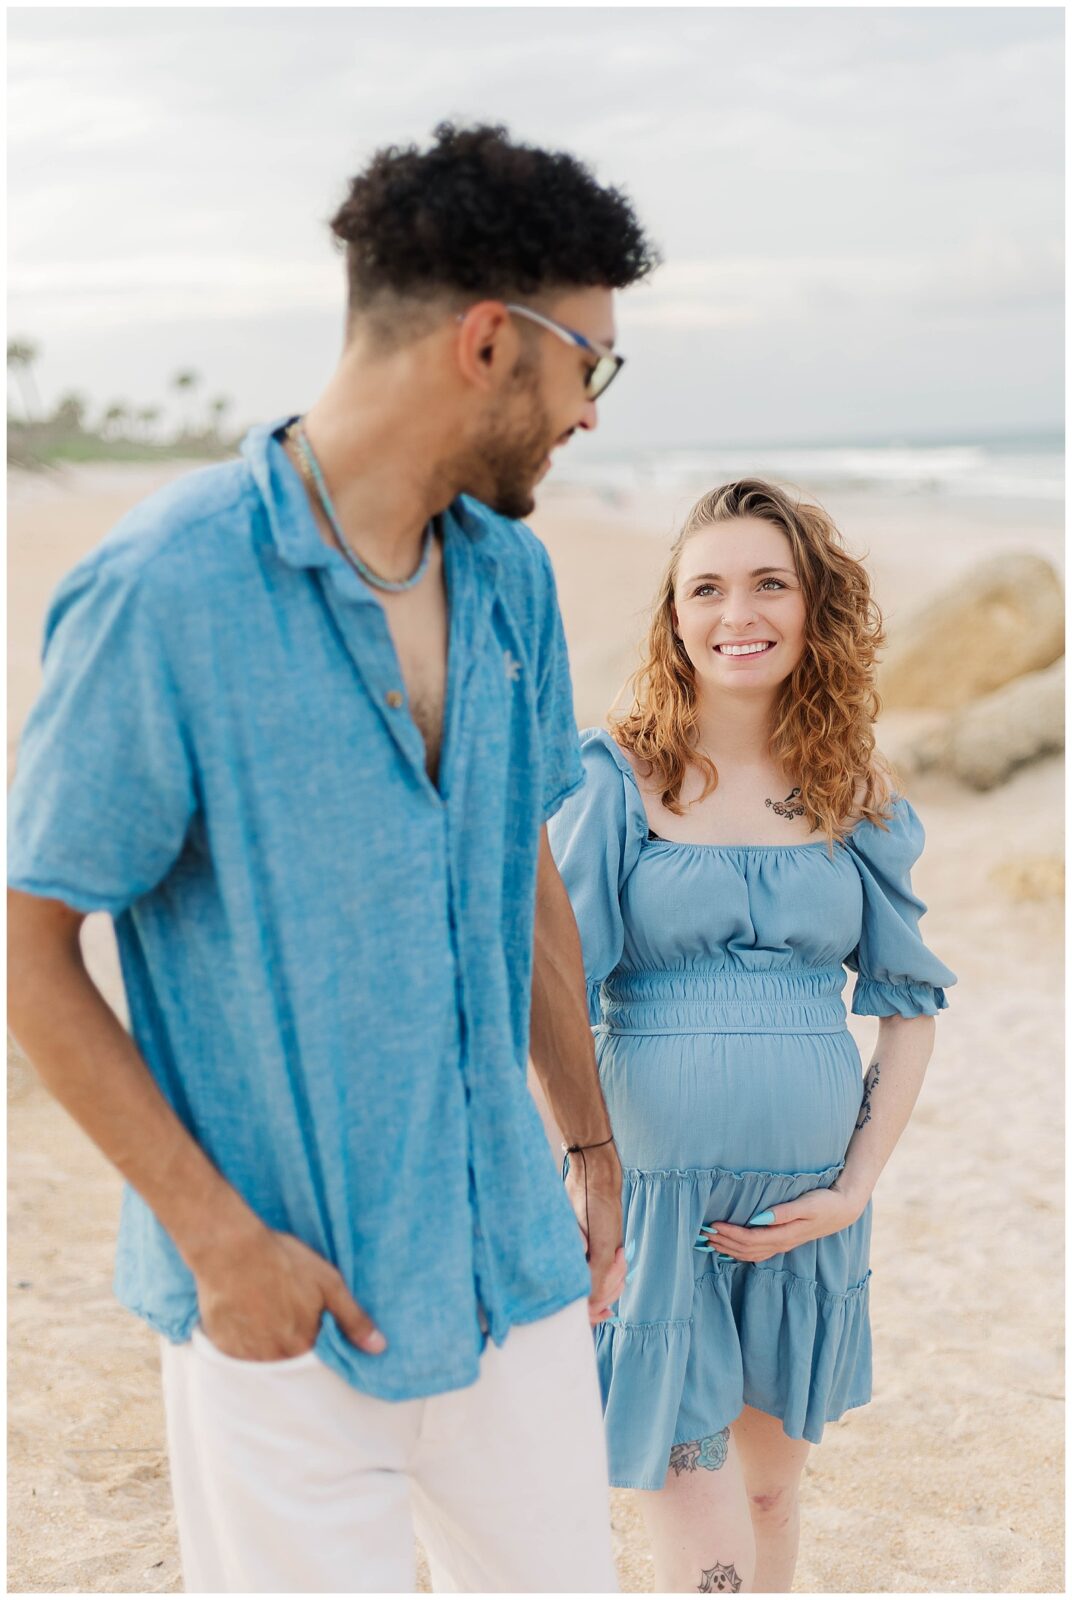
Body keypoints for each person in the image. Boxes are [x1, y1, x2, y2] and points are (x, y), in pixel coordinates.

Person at [7, 122, 661, 1594]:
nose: (593, 416)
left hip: (513, 1265)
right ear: (493, 343)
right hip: (288, 1310)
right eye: (591, 367)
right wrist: (217, 1242)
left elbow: (526, 868)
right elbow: (29, 950)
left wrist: (593, 1136)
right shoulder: (163, 595)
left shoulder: (511, 581)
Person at [548, 479, 956, 1593]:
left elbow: (908, 1007)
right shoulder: (616, 777)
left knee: (771, 1503)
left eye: (770, 582)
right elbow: (548, 992)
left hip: (804, 1215)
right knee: (706, 1545)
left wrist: (855, 1187)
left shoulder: (854, 795)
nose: (741, 611)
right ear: (674, 618)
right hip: (654, 1210)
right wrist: (584, 1173)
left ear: (811, 606)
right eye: (709, 587)